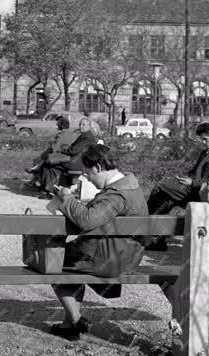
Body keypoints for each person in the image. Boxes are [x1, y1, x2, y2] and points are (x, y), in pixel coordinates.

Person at [48, 143, 148, 341]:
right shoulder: (130, 185)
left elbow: (88, 220)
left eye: (88, 174)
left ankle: (77, 320)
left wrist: (67, 200)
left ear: (99, 168)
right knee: (66, 261)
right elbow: (101, 214)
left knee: (53, 262)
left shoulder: (117, 195)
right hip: (126, 254)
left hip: (109, 259)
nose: (87, 178)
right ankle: (69, 325)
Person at [146, 120, 209, 251]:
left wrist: (192, 182)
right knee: (164, 199)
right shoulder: (206, 152)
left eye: (205, 139)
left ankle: (143, 224)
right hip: (192, 189)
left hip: (202, 195)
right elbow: (194, 171)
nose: (202, 142)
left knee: (160, 187)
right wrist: (183, 177)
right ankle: (157, 240)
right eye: (201, 139)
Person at [32, 117, 97, 197]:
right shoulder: (86, 136)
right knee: (51, 164)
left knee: (49, 163)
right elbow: (74, 149)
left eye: (83, 125)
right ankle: (50, 189)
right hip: (78, 161)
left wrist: (62, 151)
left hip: (77, 163)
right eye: (80, 124)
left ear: (89, 126)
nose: (81, 126)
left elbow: (73, 151)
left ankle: (48, 189)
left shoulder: (86, 138)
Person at [25, 116, 79, 188]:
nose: (56, 125)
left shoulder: (60, 135)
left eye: (58, 124)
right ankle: (33, 178)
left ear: (61, 125)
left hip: (61, 158)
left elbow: (54, 149)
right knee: (43, 159)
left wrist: (46, 152)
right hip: (71, 158)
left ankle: (36, 176)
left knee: (45, 160)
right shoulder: (73, 134)